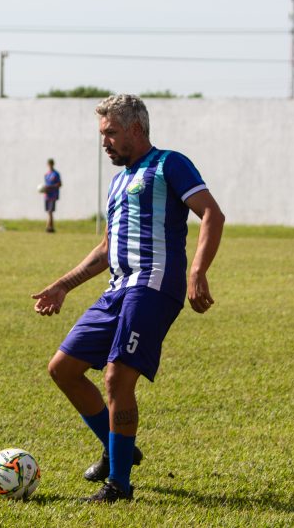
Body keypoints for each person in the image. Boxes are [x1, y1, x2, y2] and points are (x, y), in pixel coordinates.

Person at [32, 94, 225, 502]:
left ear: (136, 129)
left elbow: (211, 213)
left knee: (117, 376)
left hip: (153, 284)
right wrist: (63, 284)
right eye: (102, 134)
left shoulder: (169, 163)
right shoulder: (118, 181)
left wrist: (198, 271)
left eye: (111, 133)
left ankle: (118, 484)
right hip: (117, 288)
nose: (105, 142)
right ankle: (118, 445)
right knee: (63, 369)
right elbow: (106, 247)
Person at [43, 158, 62, 233]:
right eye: (49, 164)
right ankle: (50, 228)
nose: (50, 165)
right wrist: (43, 189)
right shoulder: (46, 174)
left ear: (53, 164)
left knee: (50, 211)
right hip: (46, 195)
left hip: (53, 195)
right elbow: (46, 185)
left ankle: (49, 227)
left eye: (51, 164)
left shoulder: (56, 174)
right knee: (48, 212)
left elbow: (59, 184)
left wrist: (51, 187)